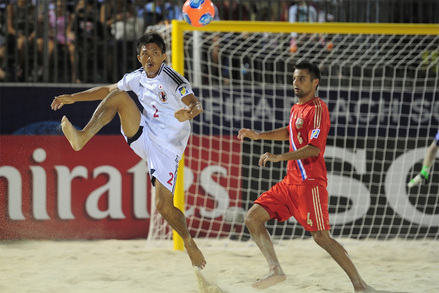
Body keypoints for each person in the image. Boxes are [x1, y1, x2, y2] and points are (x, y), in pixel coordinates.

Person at [50, 32, 206, 269]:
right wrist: (73, 97)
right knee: (119, 96)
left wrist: (189, 113)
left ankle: (189, 242)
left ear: (163, 56)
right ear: (139, 57)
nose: (150, 57)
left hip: (167, 148)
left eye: (155, 53)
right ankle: (82, 138)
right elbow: (107, 90)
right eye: (145, 53)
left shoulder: (174, 79)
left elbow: (195, 104)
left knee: (164, 207)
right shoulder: (137, 77)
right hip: (144, 133)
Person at [238, 61, 376, 292]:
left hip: (309, 183)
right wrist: (259, 136)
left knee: (321, 238)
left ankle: (360, 286)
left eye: (301, 78)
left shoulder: (318, 109)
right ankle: (275, 270)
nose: (296, 82)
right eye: (294, 78)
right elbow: (290, 132)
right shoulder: (296, 108)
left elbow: (314, 148)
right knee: (252, 217)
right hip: (289, 183)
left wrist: (279, 157)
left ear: (315, 82)